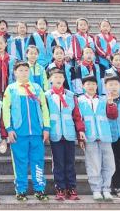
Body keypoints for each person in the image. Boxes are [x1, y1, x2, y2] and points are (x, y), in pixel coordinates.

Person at [2, 61, 50, 202]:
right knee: (20, 163)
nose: (23, 73)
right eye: (20, 70)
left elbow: (44, 108)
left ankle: (39, 189)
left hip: (37, 133)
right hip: (18, 134)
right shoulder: (11, 89)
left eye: (26, 70)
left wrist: (46, 128)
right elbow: (6, 110)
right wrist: (9, 129)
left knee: (38, 161)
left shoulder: (37, 88)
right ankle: (21, 190)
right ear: (15, 73)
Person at [76, 75, 117, 201]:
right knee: (93, 165)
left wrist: (111, 103)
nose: (91, 86)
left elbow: (113, 115)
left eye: (93, 84)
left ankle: (106, 189)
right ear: (83, 86)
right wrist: (80, 137)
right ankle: (96, 189)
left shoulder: (103, 99)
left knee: (109, 164)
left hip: (105, 136)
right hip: (89, 137)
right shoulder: (79, 100)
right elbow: (78, 118)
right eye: (88, 84)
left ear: (97, 86)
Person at [45, 69, 81, 201]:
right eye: (55, 77)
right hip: (55, 133)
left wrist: (80, 131)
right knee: (58, 162)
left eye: (61, 77)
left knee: (70, 162)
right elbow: (44, 115)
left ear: (64, 79)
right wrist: (45, 130)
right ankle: (60, 187)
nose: (58, 79)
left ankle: (71, 187)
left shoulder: (71, 95)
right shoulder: (46, 96)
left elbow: (76, 115)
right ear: (50, 80)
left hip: (69, 132)